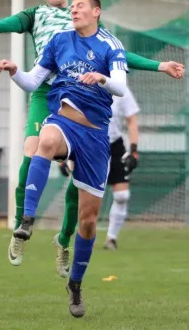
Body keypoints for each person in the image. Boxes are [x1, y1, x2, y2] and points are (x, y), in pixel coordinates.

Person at [0, 0, 185, 270]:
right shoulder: (35, 15)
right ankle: (22, 226)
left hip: (79, 101)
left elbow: (119, 53)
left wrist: (158, 66)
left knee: (78, 180)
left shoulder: (81, 17)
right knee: (32, 155)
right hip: (46, 94)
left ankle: (64, 238)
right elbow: (5, 23)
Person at [0, 0, 125, 318]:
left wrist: (103, 78)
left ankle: (76, 285)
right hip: (64, 120)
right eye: (73, 7)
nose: (74, 10)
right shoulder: (59, 41)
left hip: (96, 138)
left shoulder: (111, 45)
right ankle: (27, 219)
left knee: (89, 222)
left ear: (96, 11)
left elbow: (121, 87)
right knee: (46, 141)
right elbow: (31, 81)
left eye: (80, 6)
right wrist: (14, 71)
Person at [58, 86, 140, 251]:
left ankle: (112, 238)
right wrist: (61, 159)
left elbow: (131, 118)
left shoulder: (120, 88)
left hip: (114, 145)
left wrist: (134, 149)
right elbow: (64, 120)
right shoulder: (79, 86)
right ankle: (85, 237)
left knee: (122, 195)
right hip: (88, 145)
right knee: (83, 198)